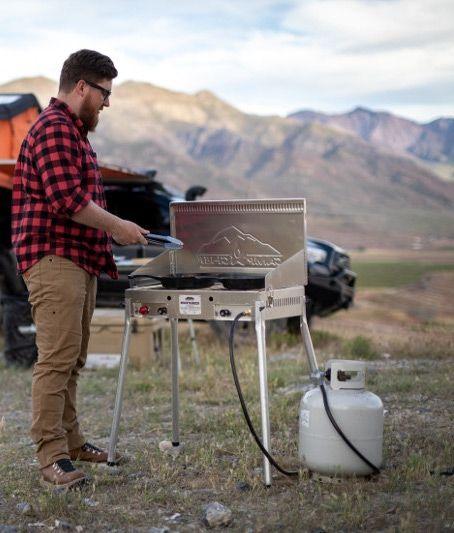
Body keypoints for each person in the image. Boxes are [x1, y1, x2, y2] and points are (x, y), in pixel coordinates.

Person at [12, 49, 149, 490]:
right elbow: (67, 201)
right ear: (82, 87)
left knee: (72, 360)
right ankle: (51, 455)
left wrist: (116, 231)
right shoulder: (53, 129)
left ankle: (71, 443)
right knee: (55, 361)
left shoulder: (73, 133)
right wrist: (119, 227)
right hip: (53, 259)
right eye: (104, 93)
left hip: (76, 259)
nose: (107, 103)